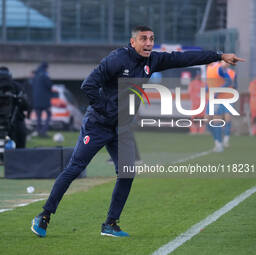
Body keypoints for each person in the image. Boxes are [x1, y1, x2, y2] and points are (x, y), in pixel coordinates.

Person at [30, 26, 244, 238]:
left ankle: (110, 224)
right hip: (97, 125)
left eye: (152, 39)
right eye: (144, 39)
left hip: (121, 127)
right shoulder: (116, 59)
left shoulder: (153, 61)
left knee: (127, 173)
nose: (149, 43)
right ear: (133, 42)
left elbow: (184, 58)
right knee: (75, 168)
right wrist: (108, 111)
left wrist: (219, 55)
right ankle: (44, 216)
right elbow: (88, 86)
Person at [206, 61, 234, 152]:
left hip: (219, 99)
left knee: (216, 120)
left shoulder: (219, 68)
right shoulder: (208, 68)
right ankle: (219, 141)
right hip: (211, 98)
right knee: (207, 121)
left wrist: (218, 91)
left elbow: (229, 81)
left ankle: (219, 144)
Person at [32, 62, 52, 137]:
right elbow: (49, 86)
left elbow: (33, 86)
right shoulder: (45, 75)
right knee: (49, 115)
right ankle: (43, 131)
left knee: (38, 117)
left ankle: (38, 131)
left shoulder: (36, 75)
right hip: (45, 100)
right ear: (46, 68)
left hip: (36, 100)